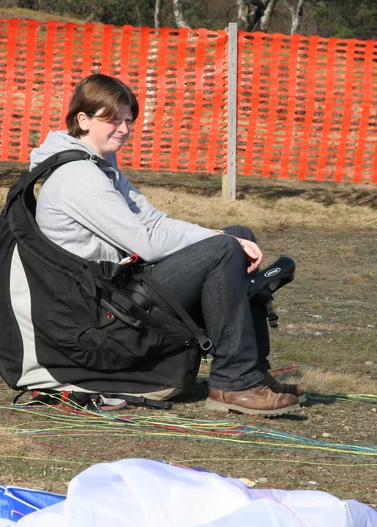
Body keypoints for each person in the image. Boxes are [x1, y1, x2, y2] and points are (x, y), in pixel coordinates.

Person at [30, 73, 304, 416]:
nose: (123, 128)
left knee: (238, 236)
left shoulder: (99, 166)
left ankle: (252, 373)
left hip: (118, 292)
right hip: (101, 318)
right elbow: (147, 243)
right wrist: (220, 241)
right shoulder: (78, 177)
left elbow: (154, 220)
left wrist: (224, 235)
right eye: (112, 119)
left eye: (128, 120)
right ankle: (233, 380)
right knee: (224, 249)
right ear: (82, 120)